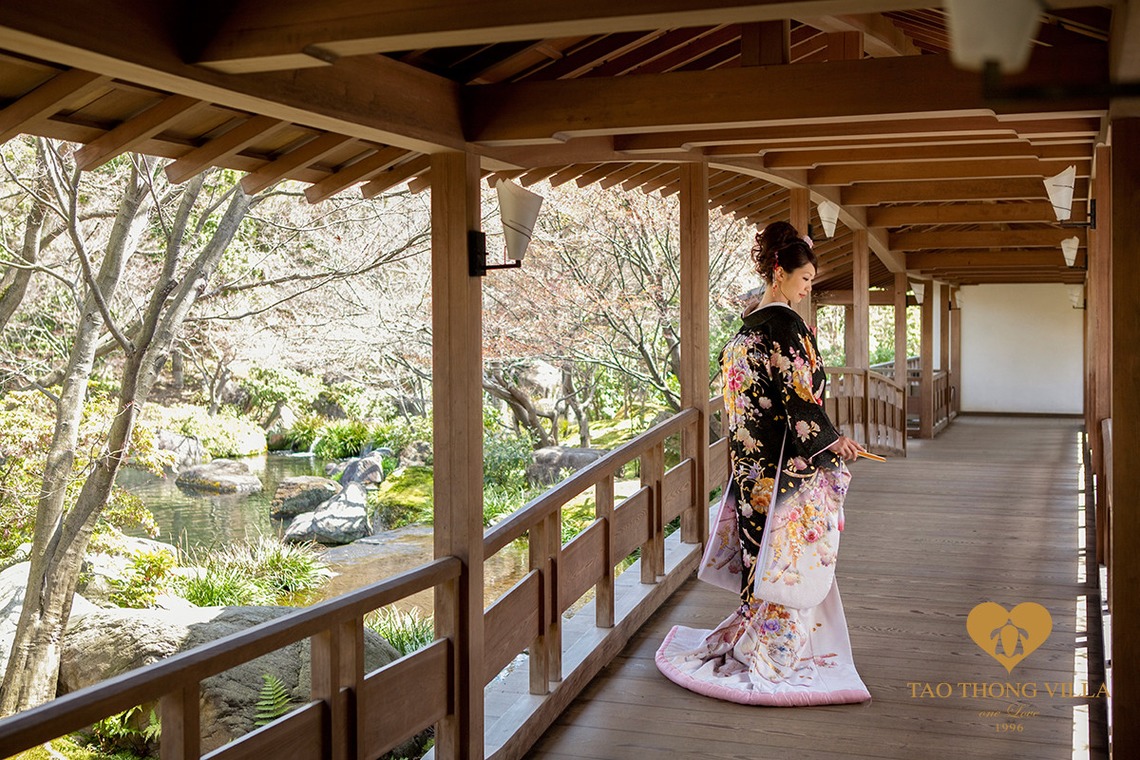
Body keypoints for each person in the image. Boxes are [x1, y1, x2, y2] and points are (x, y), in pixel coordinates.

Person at [655, 221, 871, 706]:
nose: (807, 288)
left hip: (750, 464)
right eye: (805, 280)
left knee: (763, 556)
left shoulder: (747, 329)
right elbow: (798, 397)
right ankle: (779, 648)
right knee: (787, 557)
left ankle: (760, 632)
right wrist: (831, 442)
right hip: (783, 466)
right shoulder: (785, 327)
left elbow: (748, 397)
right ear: (780, 272)